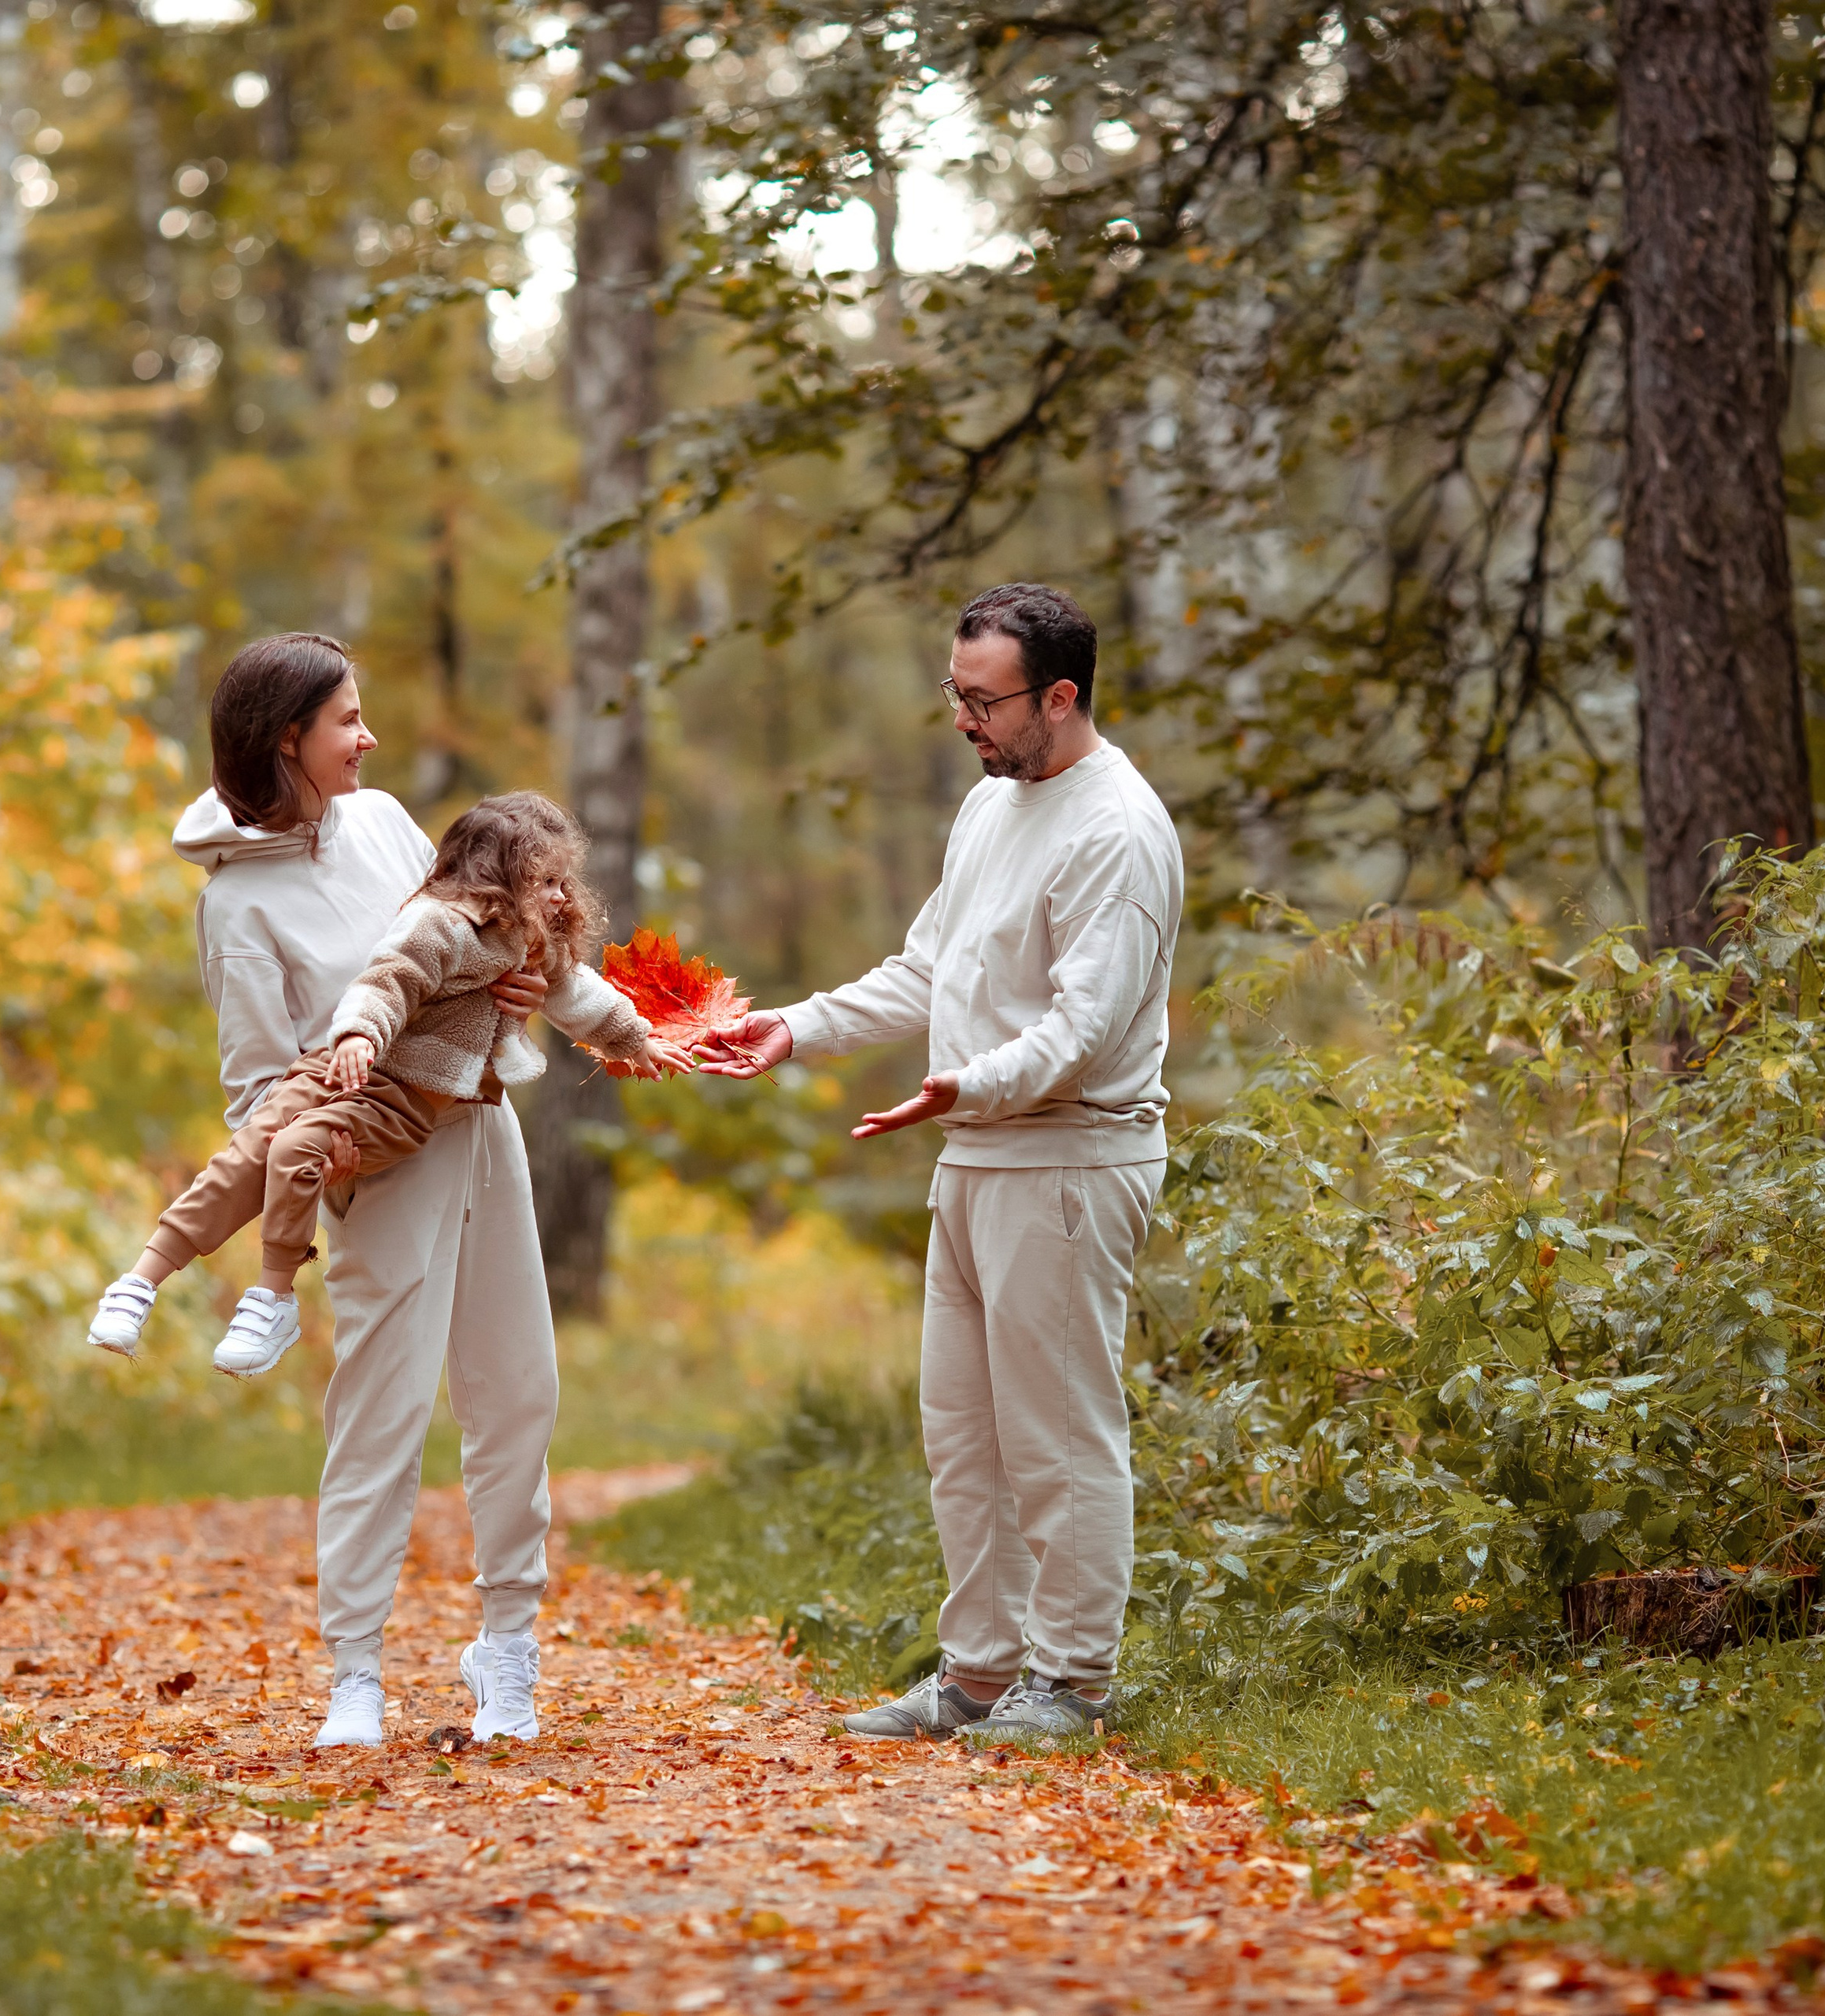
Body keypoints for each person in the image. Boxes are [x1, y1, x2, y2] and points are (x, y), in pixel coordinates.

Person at [697, 583, 1183, 1747]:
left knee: (1060, 1437)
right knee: (963, 1436)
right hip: (973, 1157)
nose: (964, 719)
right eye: (954, 694)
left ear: (1060, 698)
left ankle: (1070, 1687)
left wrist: (972, 1082)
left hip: (1068, 1160)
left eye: (985, 700)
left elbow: (1086, 1033)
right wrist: (796, 1028)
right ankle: (976, 1678)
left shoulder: (1118, 831)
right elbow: (931, 969)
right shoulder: (991, 806)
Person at [101, 633, 563, 1750]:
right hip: (377, 1165)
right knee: (380, 1418)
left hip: (484, 1129)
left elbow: (459, 946)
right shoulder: (237, 908)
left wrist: (521, 986)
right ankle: (355, 1670)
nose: (369, 737)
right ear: (285, 742)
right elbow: (258, 1090)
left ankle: (507, 1648)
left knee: (519, 1394)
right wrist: (336, 1164)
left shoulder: (388, 822)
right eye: (347, 720)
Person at [87, 791, 690, 1377]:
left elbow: (579, 992)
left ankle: (273, 1297)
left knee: (293, 1150)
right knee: (252, 1147)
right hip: (345, 1060)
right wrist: (356, 1037)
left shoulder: (529, 943)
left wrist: (636, 1040)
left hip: (400, 1103)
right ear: (502, 875)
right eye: (548, 882)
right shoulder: (446, 923)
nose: (562, 897)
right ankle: (142, 1279)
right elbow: (388, 979)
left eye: (564, 883)